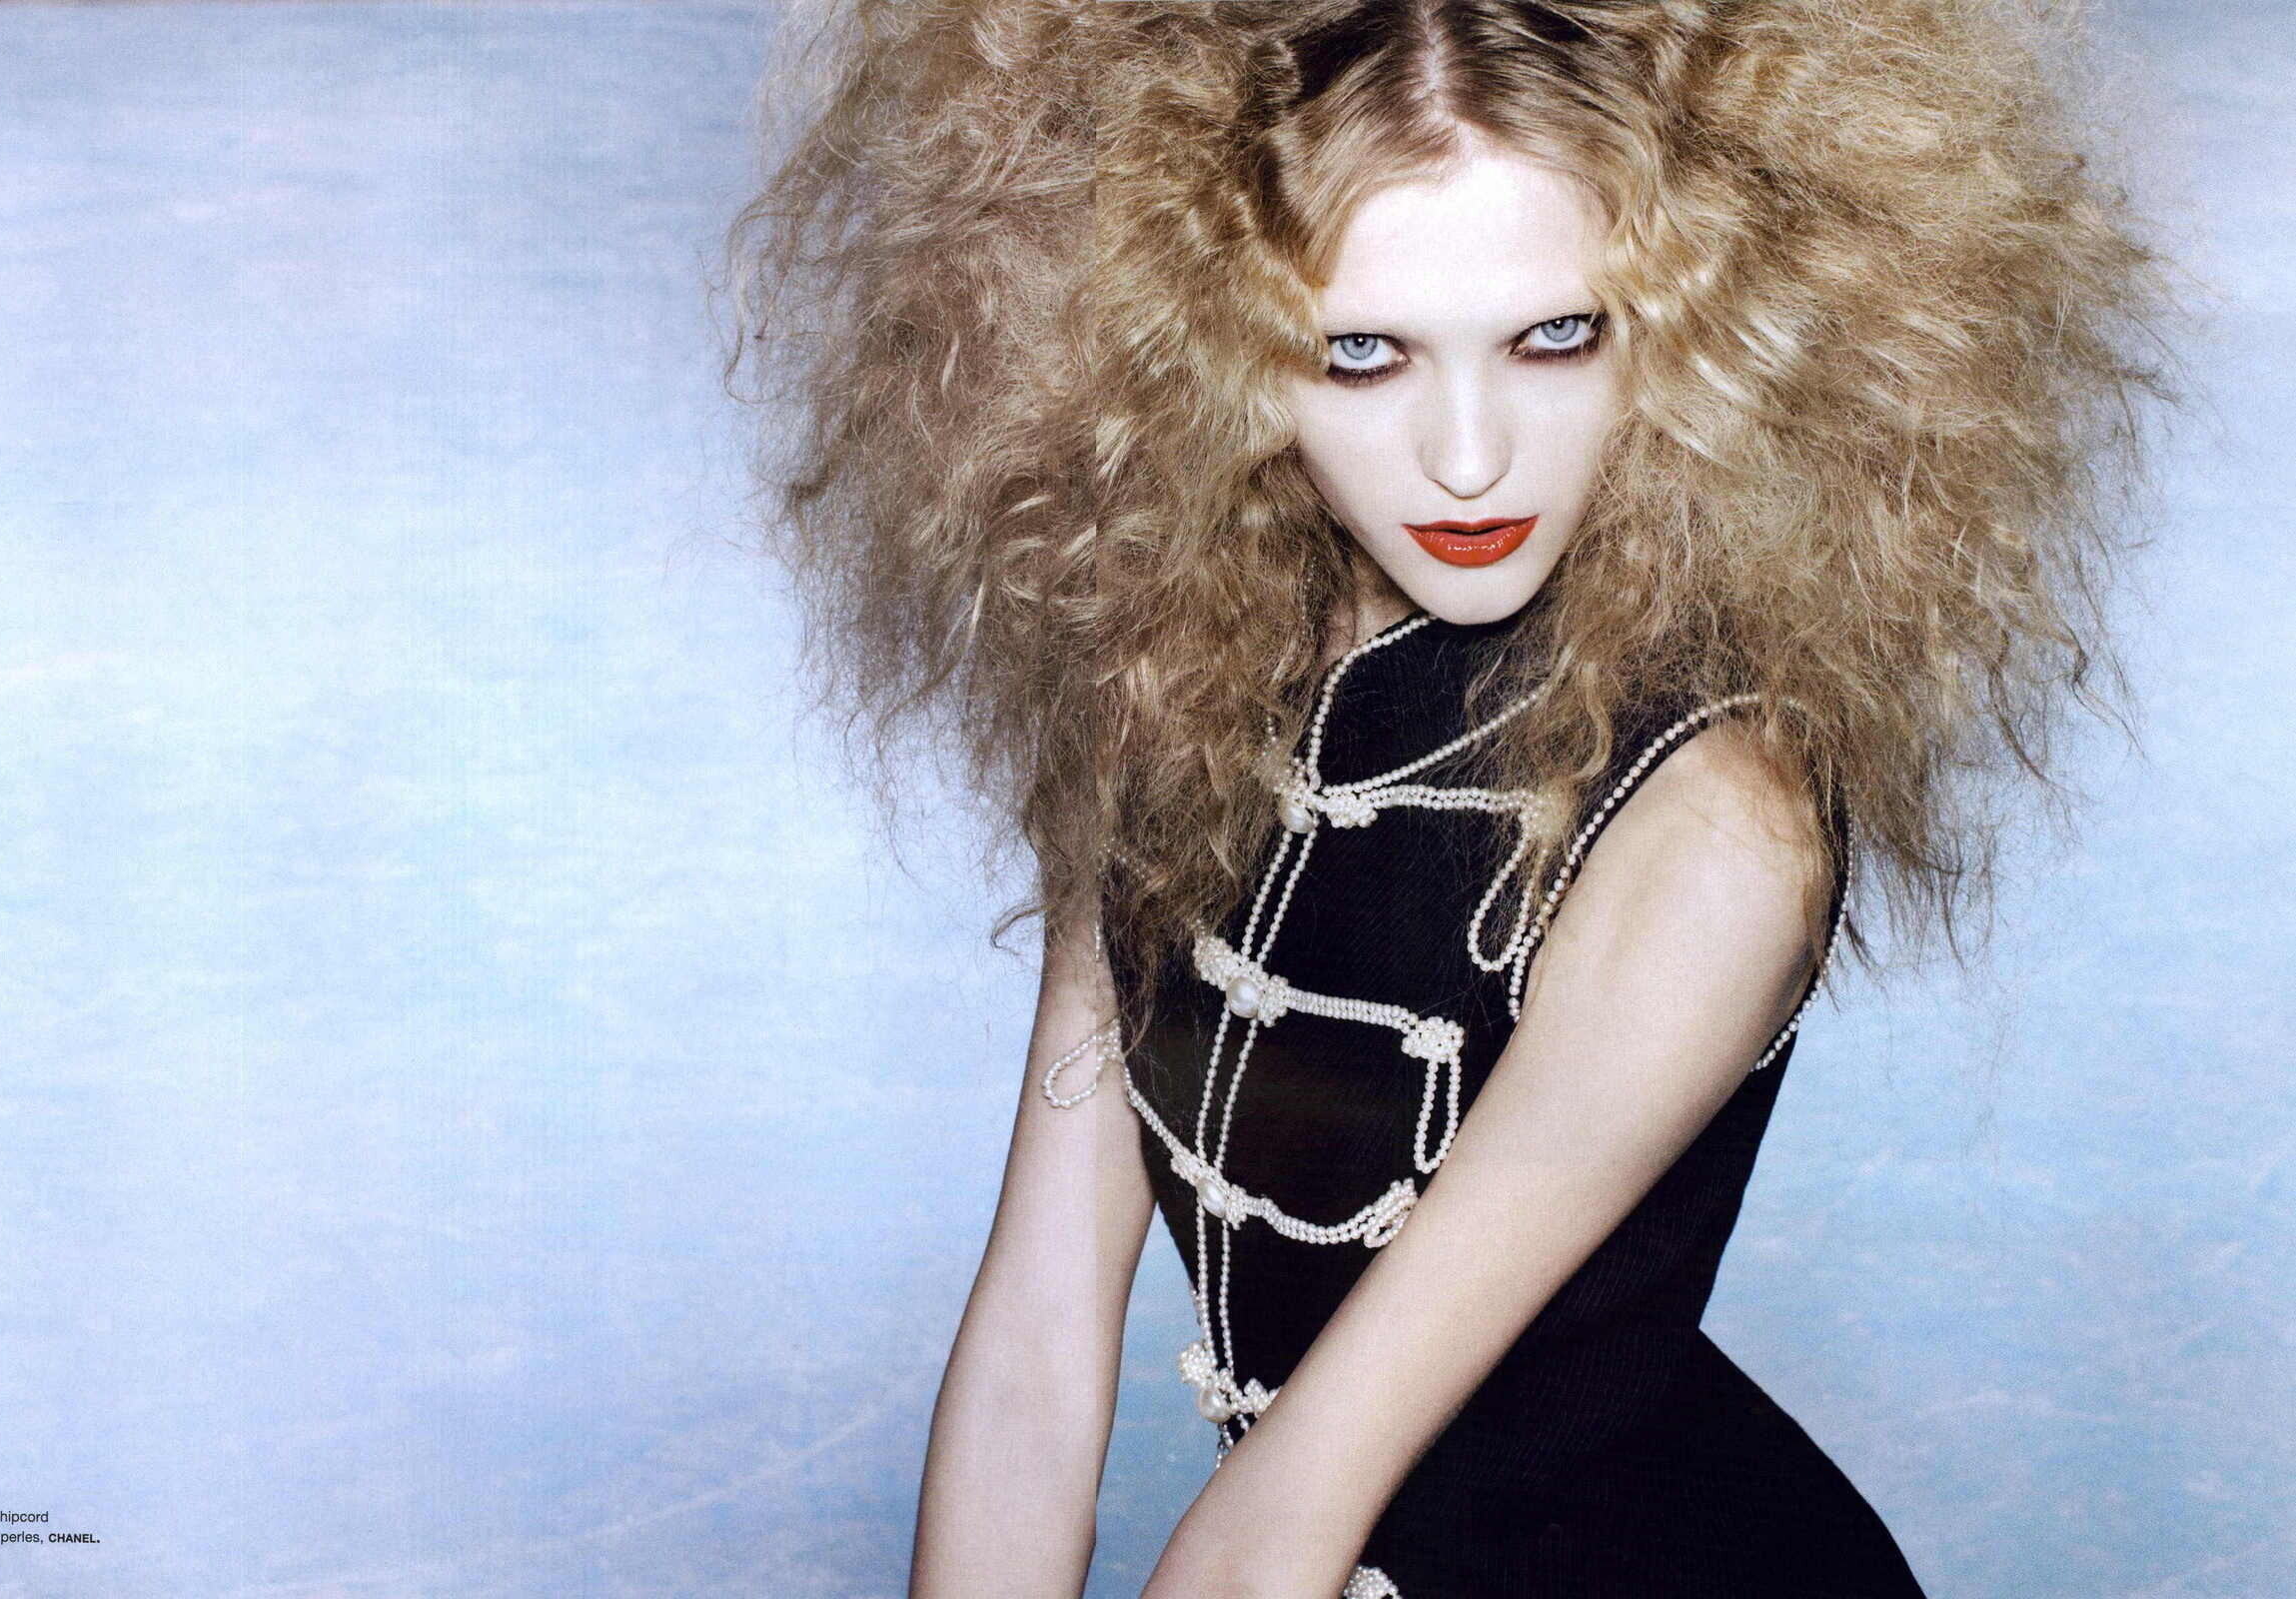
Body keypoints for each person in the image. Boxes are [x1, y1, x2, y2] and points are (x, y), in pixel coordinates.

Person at [726, 1, 2167, 1594]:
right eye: (1360, 351)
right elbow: (1036, 1346)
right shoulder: (1172, 689)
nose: (1469, 459)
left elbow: (1288, 1515)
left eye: (1556, 338)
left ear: (1696, 321)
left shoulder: (1711, 823)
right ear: (1194, 338)